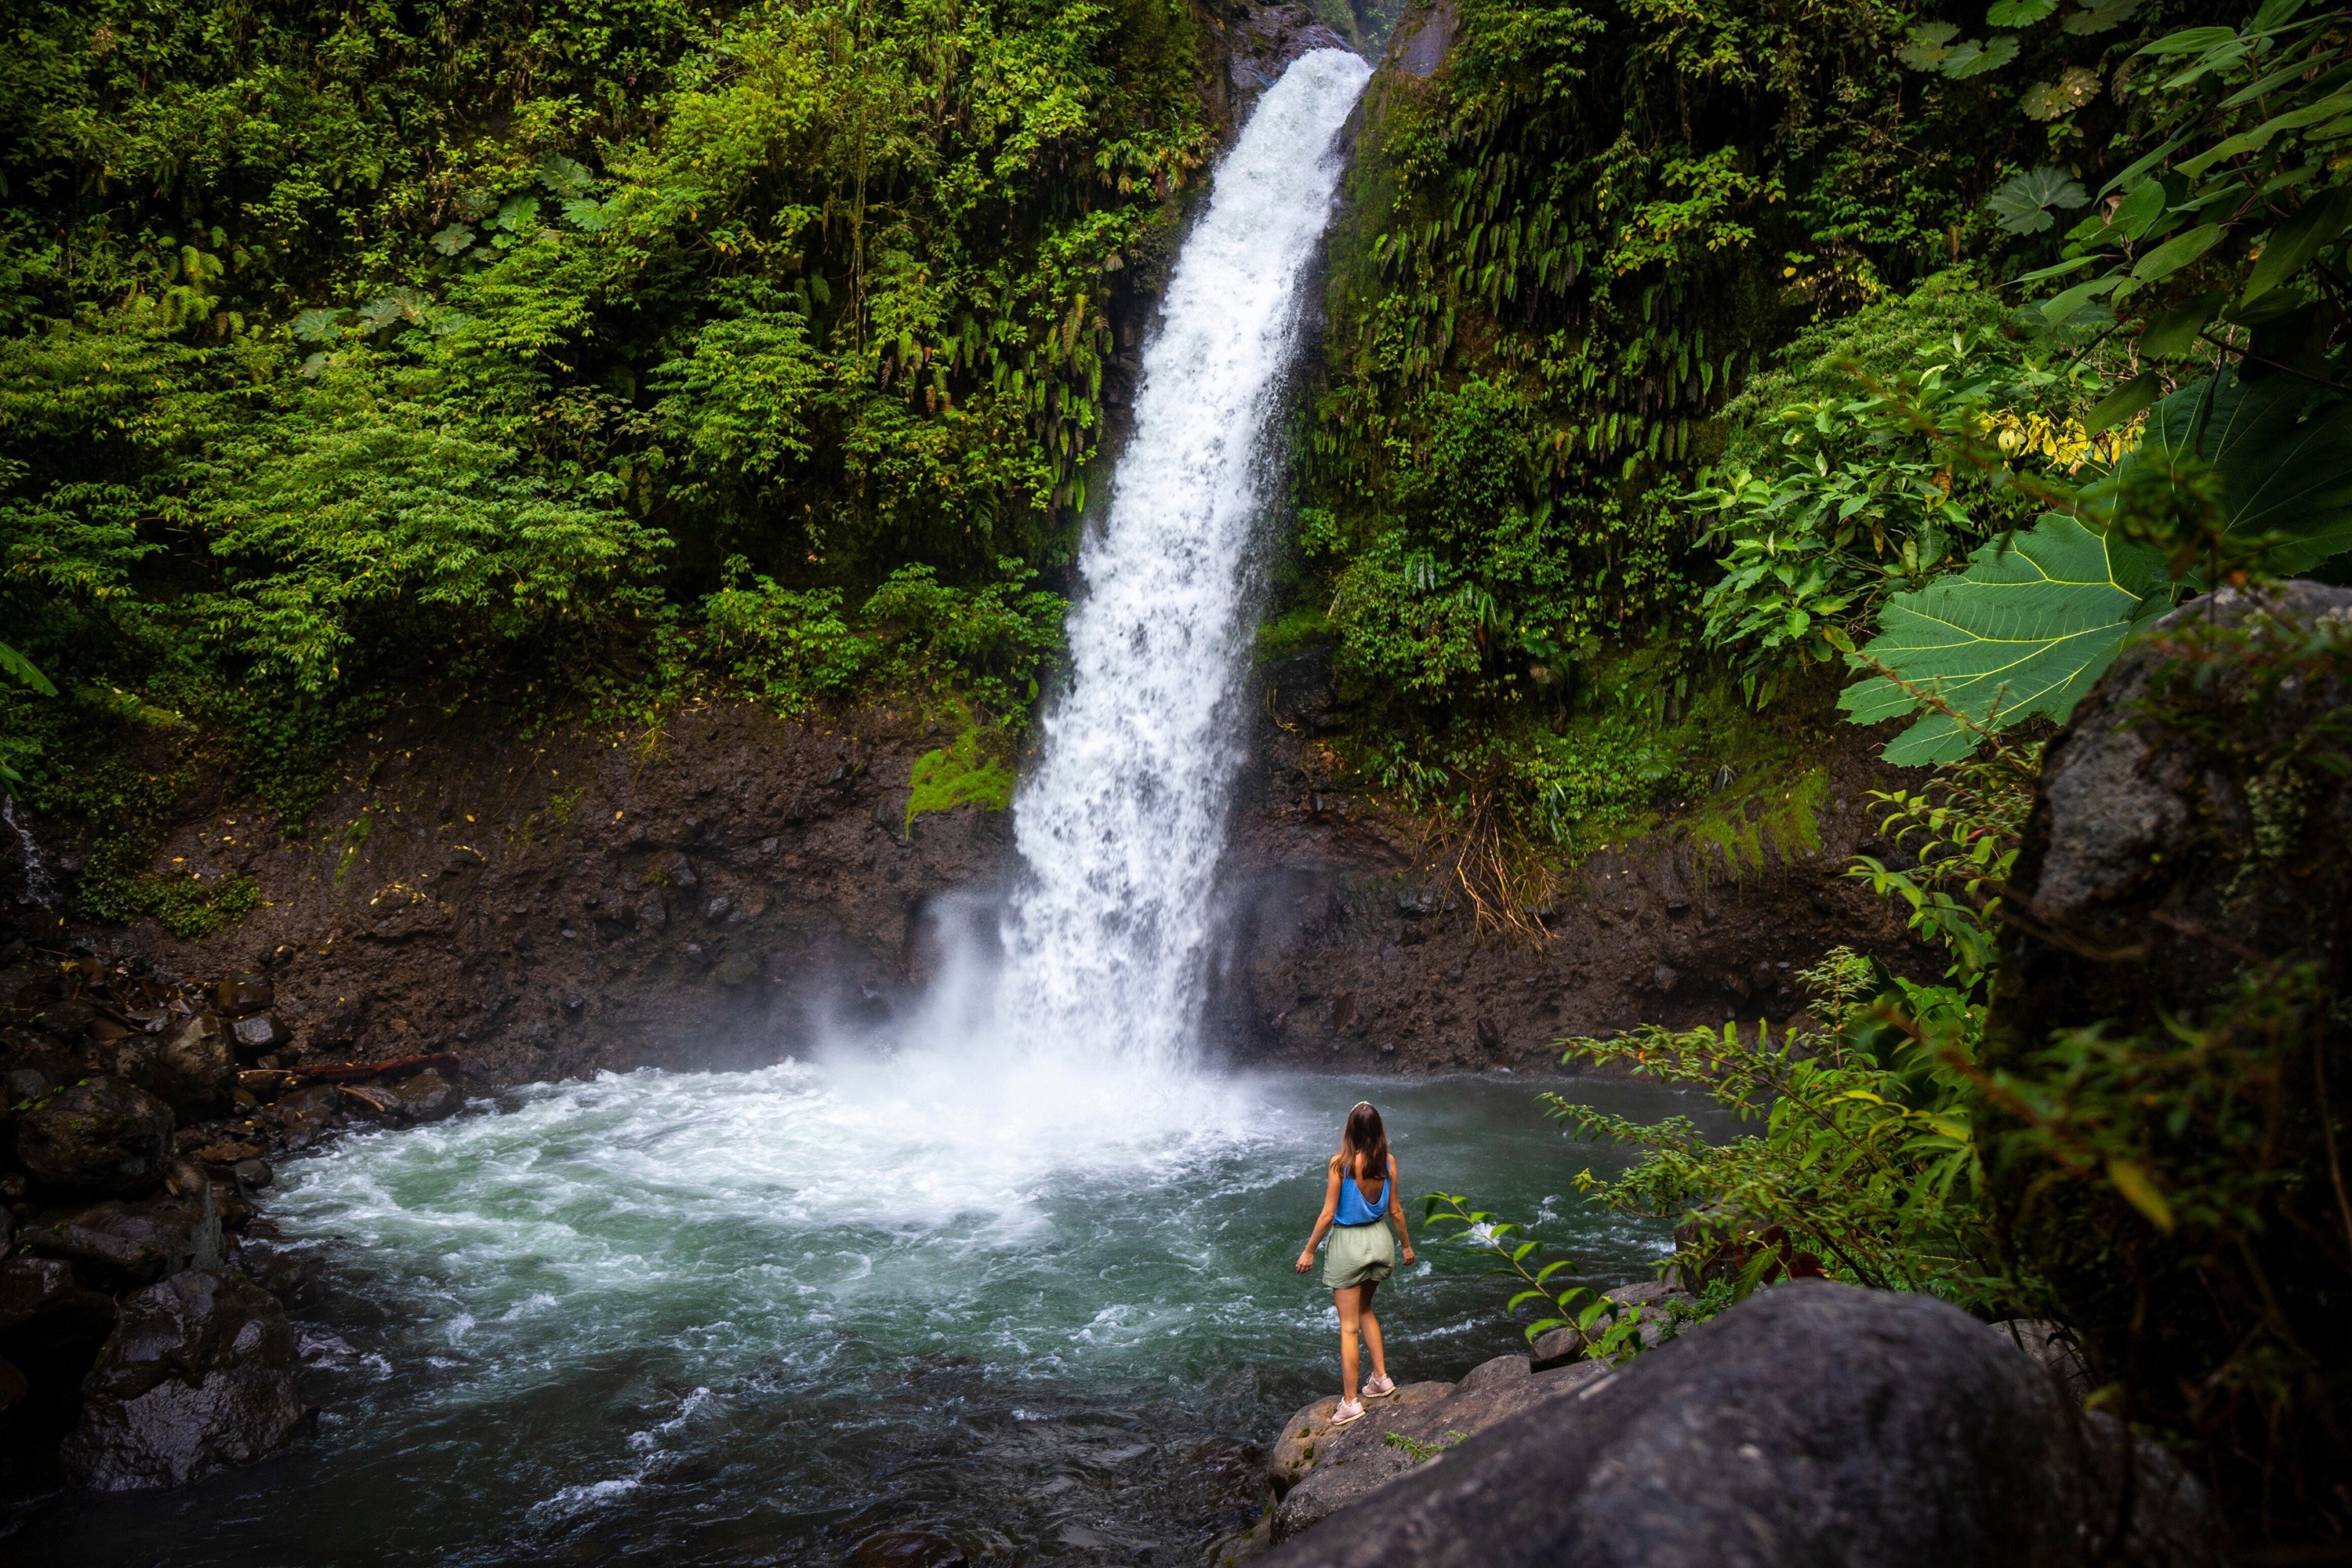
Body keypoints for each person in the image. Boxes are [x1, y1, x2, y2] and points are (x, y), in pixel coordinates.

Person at [1295, 1100, 1416, 1425]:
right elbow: (1395, 1210)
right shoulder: (1388, 1162)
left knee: (1348, 1327)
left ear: (1350, 1130)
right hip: (1380, 1242)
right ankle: (1380, 1379)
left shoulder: (1341, 1165)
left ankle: (1350, 1403)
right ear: (1378, 1131)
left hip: (1349, 1246)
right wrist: (1406, 1246)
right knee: (1365, 1310)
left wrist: (1309, 1250)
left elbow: (1328, 1214)